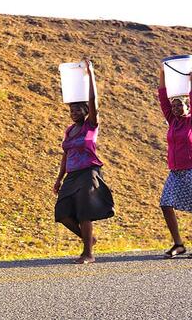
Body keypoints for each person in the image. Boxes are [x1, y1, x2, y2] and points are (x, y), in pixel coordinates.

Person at [54, 60, 115, 264]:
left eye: (78, 110)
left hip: (89, 173)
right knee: (62, 213)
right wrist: (59, 178)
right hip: (72, 175)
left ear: (86, 111)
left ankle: (88, 253)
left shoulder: (91, 125)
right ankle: (89, 240)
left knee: (84, 212)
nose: (74, 113)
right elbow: (66, 154)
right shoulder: (69, 131)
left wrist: (90, 75)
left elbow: (93, 100)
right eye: (72, 111)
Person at [157, 66, 192, 259]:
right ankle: (179, 244)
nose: (175, 108)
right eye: (174, 106)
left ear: (187, 107)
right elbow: (163, 98)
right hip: (175, 171)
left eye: (180, 105)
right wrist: (162, 74)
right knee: (166, 204)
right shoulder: (172, 121)